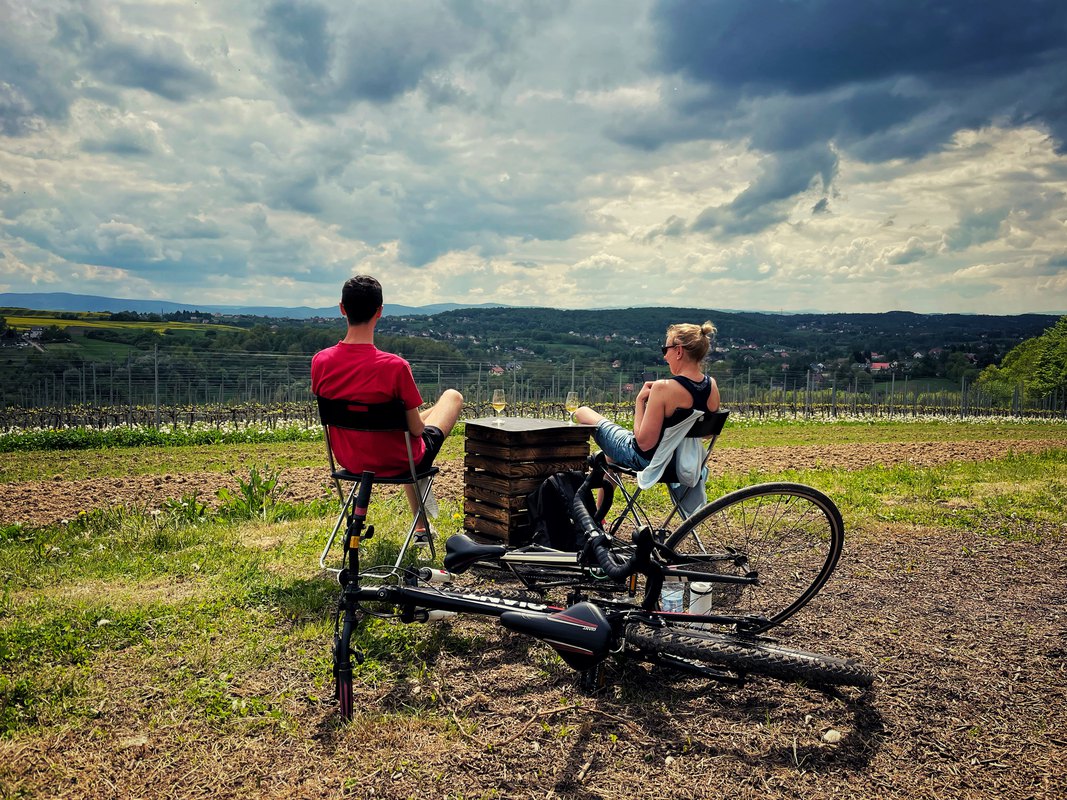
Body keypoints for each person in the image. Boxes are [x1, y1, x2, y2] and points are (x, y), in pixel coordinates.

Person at [311, 275, 463, 542]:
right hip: (397, 460)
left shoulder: (320, 361)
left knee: (405, 434)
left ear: (342, 308)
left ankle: (422, 529)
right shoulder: (395, 366)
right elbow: (416, 430)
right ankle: (421, 529)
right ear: (380, 311)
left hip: (350, 460)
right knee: (451, 397)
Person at [574, 321, 720, 514]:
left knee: (582, 412)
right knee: (611, 457)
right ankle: (599, 515)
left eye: (665, 349)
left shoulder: (663, 388)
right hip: (684, 464)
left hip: (651, 461)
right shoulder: (712, 386)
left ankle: (589, 514)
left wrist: (640, 401)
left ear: (678, 351)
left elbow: (642, 444)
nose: (665, 356)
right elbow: (707, 434)